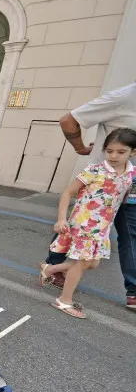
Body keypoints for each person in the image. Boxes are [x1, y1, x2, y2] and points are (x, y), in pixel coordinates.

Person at [44, 82, 136, 308]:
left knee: (115, 245)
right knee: (77, 234)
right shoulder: (124, 97)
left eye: (121, 151)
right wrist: (80, 147)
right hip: (97, 190)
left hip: (126, 185)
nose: (115, 155)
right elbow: (68, 120)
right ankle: (64, 297)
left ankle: (52, 268)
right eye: (111, 150)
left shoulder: (132, 171)